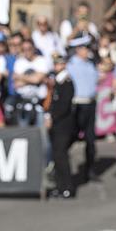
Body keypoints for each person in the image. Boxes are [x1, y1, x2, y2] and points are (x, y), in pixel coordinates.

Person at [66, 35, 99, 181]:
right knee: (70, 137)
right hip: (77, 104)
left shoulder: (90, 64)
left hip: (90, 103)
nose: (87, 51)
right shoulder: (70, 65)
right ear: (78, 50)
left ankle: (90, 170)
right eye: (84, 48)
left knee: (90, 140)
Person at [44, 55, 75, 198]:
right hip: (56, 124)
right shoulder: (56, 82)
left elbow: (64, 106)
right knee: (56, 156)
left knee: (61, 156)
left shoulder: (66, 82)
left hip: (63, 124)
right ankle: (60, 185)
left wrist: (53, 116)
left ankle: (67, 187)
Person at [13, 39, 49, 127]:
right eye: (24, 49)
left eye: (29, 49)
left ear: (34, 48)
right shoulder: (19, 62)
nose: (27, 52)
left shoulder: (41, 61)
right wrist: (34, 78)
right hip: (24, 102)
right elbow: (16, 84)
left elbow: (37, 79)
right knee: (24, 133)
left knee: (40, 132)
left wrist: (22, 78)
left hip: (39, 103)